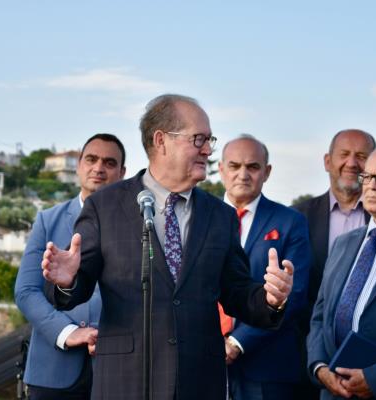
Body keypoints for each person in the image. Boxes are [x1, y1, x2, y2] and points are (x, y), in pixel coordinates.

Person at [41, 94, 295, 400]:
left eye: (209, 140)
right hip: (126, 382)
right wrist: (67, 281)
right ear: (161, 140)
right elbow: (75, 290)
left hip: (199, 383)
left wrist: (270, 299)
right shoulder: (104, 206)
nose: (208, 149)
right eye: (199, 139)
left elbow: (236, 292)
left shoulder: (220, 216)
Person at [15, 133, 126, 400]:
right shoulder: (47, 221)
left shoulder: (139, 225)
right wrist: (68, 332)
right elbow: (26, 291)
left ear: (122, 173)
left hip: (119, 368)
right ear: (78, 165)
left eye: (109, 163)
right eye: (91, 159)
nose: (98, 168)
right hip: (53, 368)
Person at [307, 143, 376, 399]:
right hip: (334, 391)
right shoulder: (344, 243)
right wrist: (320, 367)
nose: (372, 186)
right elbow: (320, 315)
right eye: (367, 176)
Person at [218, 134, 310, 400]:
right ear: (221, 169)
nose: (243, 174)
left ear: (267, 172)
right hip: (204, 362)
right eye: (234, 166)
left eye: (253, 166)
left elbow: (294, 294)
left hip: (266, 369)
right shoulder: (199, 217)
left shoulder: (290, 222)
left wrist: (238, 342)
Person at [293, 129, 376, 398]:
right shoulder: (297, 217)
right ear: (328, 161)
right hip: (306, 359)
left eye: (362, 156)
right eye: (344, 154)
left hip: (373, 362)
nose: (352, 163)